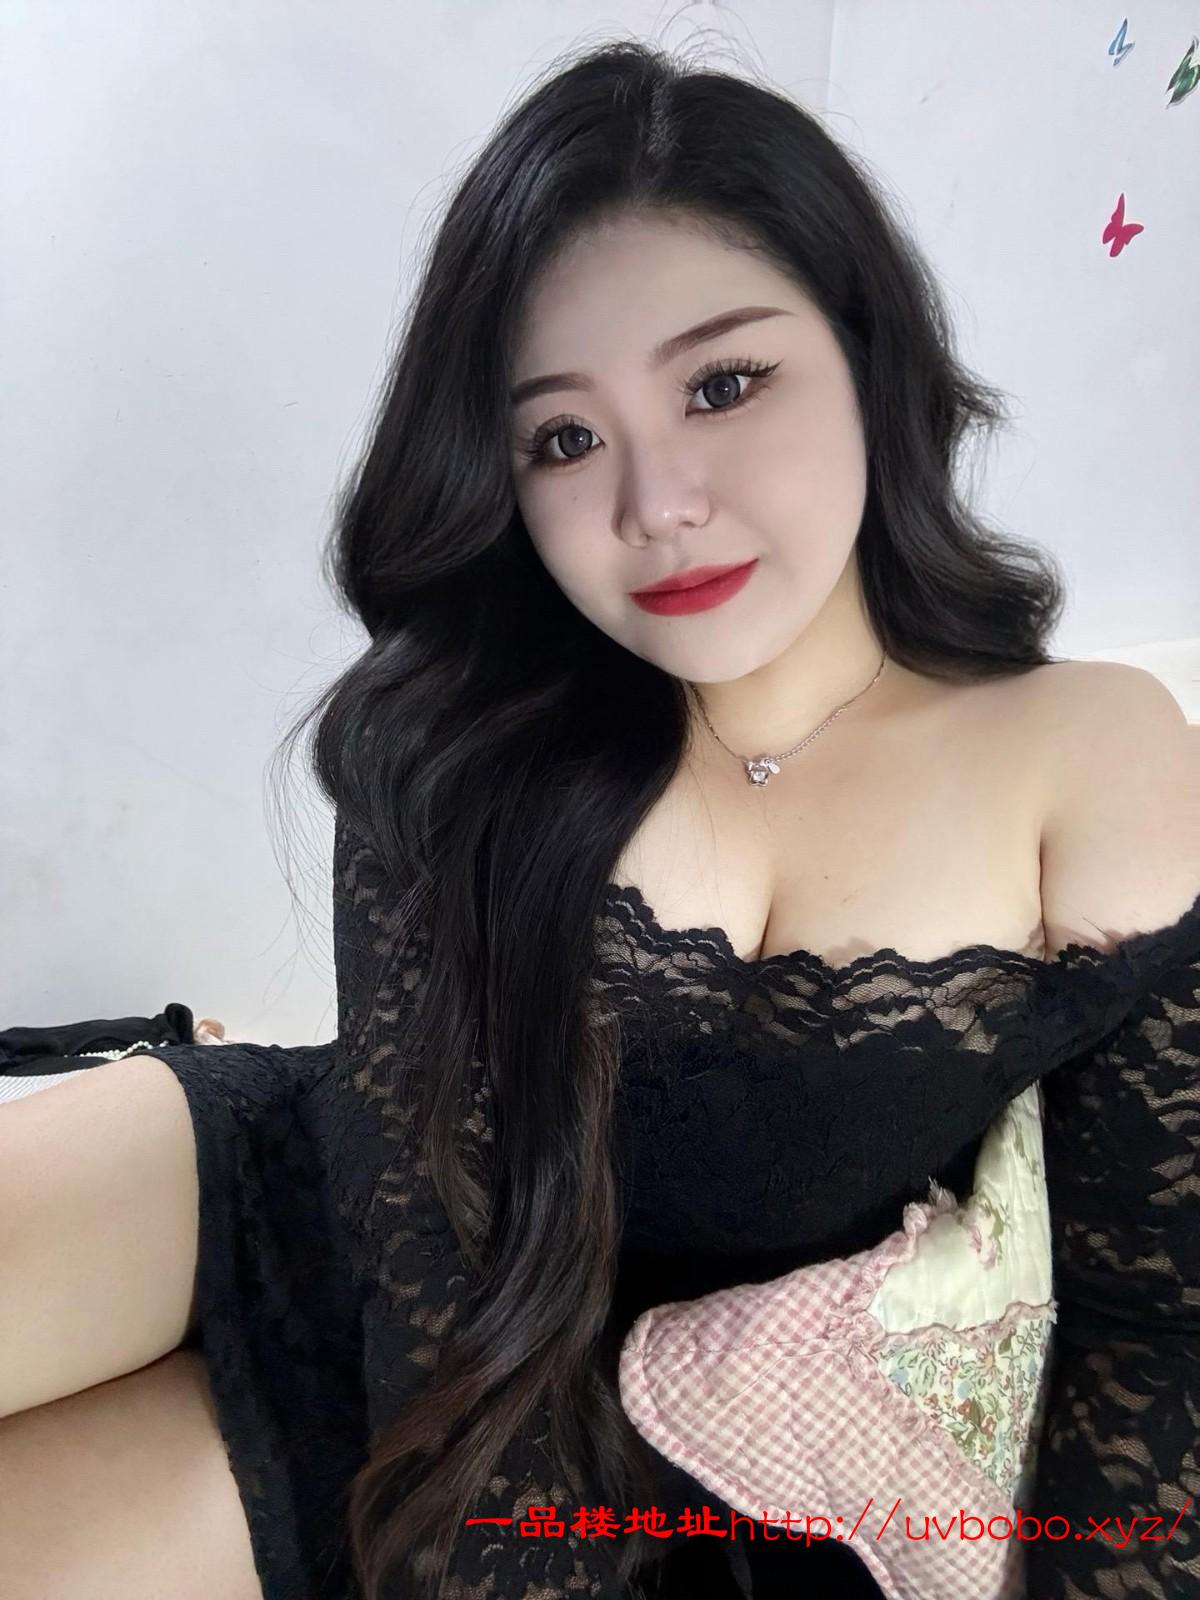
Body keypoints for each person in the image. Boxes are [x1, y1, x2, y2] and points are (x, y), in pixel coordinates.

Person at [3, 36, 1198, 1600]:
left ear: (867, 351)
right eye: (564, 437)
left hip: (603, 1439)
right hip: (334, 1214)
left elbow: (1154, 1330)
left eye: (723, 384)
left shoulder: (1087, 754)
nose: (656, 505)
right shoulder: (456, 725)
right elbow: (418, 1244)